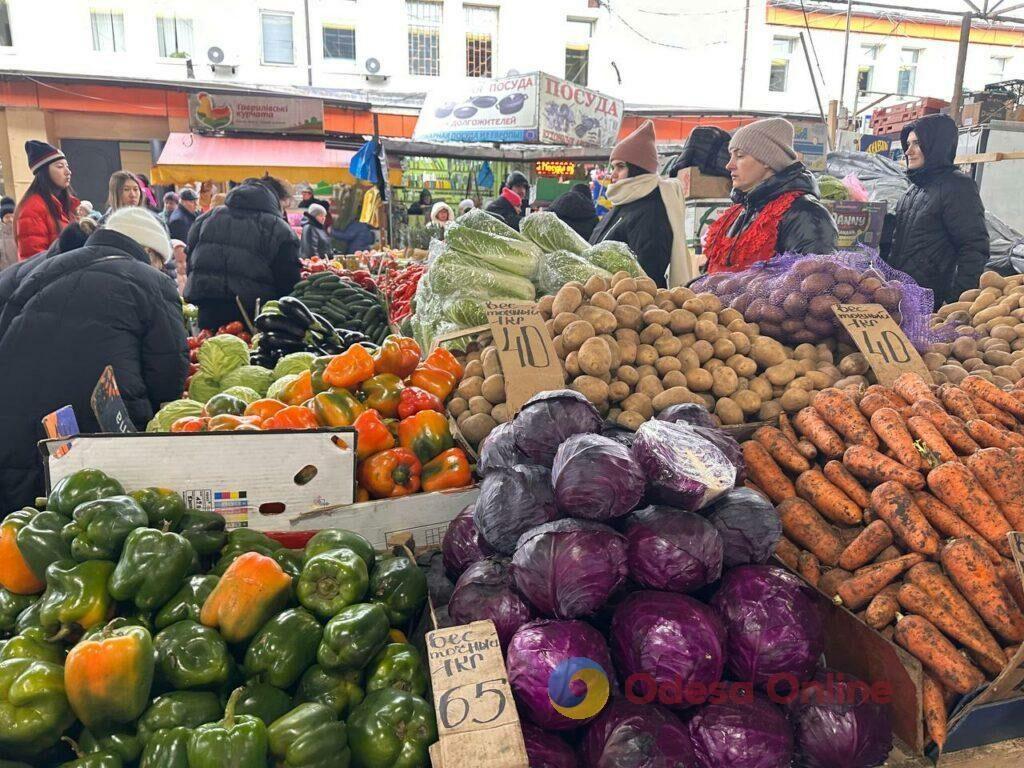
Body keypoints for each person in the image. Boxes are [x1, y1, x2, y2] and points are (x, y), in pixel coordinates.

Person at [0, 207, 187, 510]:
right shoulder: (153, 282)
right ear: (148, 251)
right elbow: (168, 376)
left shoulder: (46, 267)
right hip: (96, 432)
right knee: (88, 531)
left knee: (24, 532)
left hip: (14, 422)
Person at [703, 118, 837, 274]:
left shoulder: (807, 214)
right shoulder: (738, 212)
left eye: (739, 156)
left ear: (767, 159)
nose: (729, 165)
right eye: (731, 156)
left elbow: (812, 285)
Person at [883, 114, 988, 306]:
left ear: (936, 146)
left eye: (917, 144)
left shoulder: (957, 186)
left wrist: (955, 302)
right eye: (908, 144)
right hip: (902, 297)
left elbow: (974, 248)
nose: (908, 151)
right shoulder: (913, 189)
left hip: (933, 303)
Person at [185, 174, 300, 330]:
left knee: (211, 351)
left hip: (208, 309)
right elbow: (288, 284)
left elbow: (191, 263)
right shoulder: (278, 228)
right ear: (276, 199)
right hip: (253, 315)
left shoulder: (205, 219)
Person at [589, 121, 691, 288]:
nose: (613, 174)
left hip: (632, 306)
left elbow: (648, 273)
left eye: (620, 167)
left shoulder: (652, 211)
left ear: (638, 169)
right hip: (608, 301)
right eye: (613, 167)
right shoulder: (622, 204)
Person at [14, 140, 78, 260]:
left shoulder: (69, 205)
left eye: (67, 166)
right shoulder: (32, 208)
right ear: (43, 172)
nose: (68, 172)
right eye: (60, 166)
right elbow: (33, 259)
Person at [0, 197, 15, 271]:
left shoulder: (22, 232)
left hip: (22, 272)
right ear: (2, 219)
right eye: (7, 217)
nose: (10, 220)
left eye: (12, 216)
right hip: (5, 274)